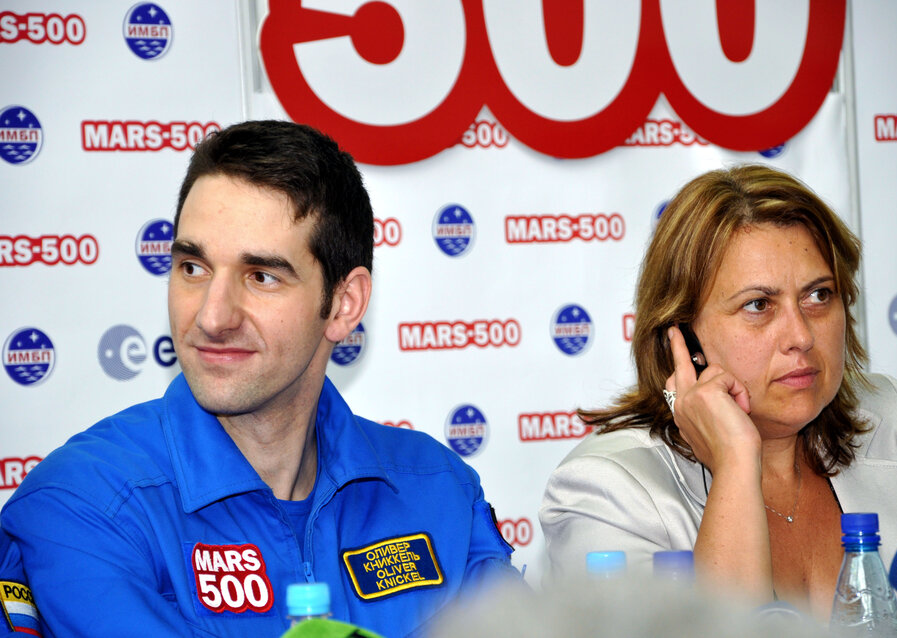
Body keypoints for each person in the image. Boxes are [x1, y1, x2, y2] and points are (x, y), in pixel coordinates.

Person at [0, 120, 518, 638]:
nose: (211, 316)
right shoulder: (85, 504)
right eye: (192, 268)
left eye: (261, 277)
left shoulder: (440, 491)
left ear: (344, 304)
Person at [539, 164, 897, 618]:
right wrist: (737, 462)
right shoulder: (606, 490)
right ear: (682, 336)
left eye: (819, 295)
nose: (800, 335)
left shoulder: (893, 419)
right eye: (758, 305)